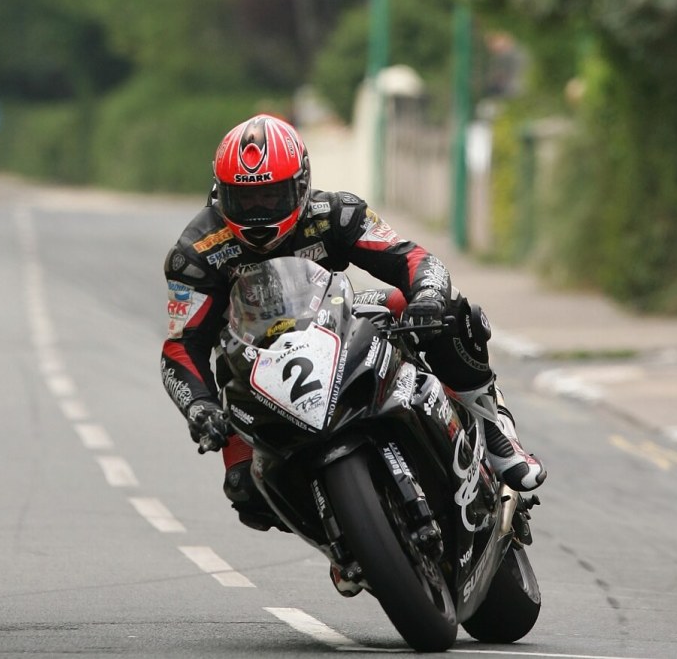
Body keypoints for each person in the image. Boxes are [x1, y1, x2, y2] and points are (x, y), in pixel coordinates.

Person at [160, 114, 546, 536]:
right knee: (246, 492)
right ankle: (343, 537)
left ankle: (493, 428)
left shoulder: (336, 213)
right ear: (220, 193)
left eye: (272, 197)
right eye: (245, 200)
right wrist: (199, 407)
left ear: (302, 185)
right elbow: (182, 346)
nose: (258, 214)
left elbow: (415, 260)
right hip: (251, 365)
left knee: (450, 311)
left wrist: (427, 297)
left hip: (341, 322)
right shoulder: (196, 253)